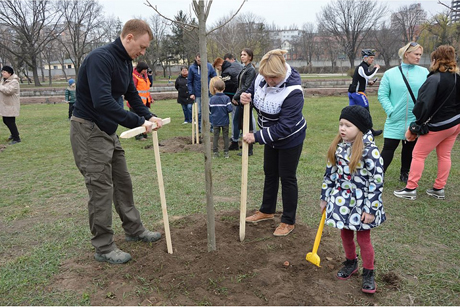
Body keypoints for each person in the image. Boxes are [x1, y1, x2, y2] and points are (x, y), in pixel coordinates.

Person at [70, 19, 164, 265]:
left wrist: (148, 115)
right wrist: (136, 122)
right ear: (129, 37)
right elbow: (103, 102)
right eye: (141, 47)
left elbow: (130, 93)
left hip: (107, 131)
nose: (143, 52)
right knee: (101, 189)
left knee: (123, 182)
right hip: (89, 130)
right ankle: (103, 247)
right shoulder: (100, 59)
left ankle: (134, 230)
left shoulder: (125, 61)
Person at [320, 105, 385, 294]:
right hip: (342, 203)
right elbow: (329, 175)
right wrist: (325, 197)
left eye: (348, 125)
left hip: (363, 204)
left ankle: (369, 272)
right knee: (345, 234)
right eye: (341, 124)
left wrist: (371, 209)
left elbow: (376, 182)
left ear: (360, 128)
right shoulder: (338, 148)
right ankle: (351, 263)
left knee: (364, 239)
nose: (342, 129)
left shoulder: (369, 151)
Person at [242, 49, 306, 237]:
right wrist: (246, 97)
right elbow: (253, 95)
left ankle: (288, 221)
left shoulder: (294, 92)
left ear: (282, 72)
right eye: (266, 77)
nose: (269, 81)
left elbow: (285, 127)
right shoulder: (260, 79)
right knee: (270, 172)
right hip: (270, 137)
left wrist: (257, 137)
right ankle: (267, 211)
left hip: (290, 139)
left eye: (273, 78)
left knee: (287, 177)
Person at [394, 45, 460, 201]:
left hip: (438, 125)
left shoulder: (434, 79)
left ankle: (410, 189)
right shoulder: (457, 78)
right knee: (444, 155)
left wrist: (418, 123)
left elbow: (423, 104)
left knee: (418, 155)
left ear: (435, 59)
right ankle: (439, 188)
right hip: (455, 124)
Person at [378, 42, 429, 183]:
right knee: (389, 147)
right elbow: (382, 94)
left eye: (420, 54)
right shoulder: (390, 74)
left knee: (409, 148)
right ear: (407, 54)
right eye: (416, 54)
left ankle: (405, 173)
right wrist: (391, 111)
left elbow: (428, 94)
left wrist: (423, 113)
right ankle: (378, 174)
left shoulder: (424, 73)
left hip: (414, 119)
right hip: (395, 118)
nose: (419, 57)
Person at [348, 49, 382, 137]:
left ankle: (351, 130)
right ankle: (370, 131)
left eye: (373, 58)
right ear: (365, 58)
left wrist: (369, 82)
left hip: (352, 93)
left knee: (352, 112)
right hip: (358, 94)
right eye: (371, 58)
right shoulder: (362, 67)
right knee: (366, 112)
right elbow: (368, 75)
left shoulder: (363, 67)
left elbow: (362, 78)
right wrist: (376, 68)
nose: (372, 60)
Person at [231, 48, 256, 153]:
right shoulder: (244, 68)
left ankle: (249, 148)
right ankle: (237, 143)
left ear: (250, 57)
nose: (242, 56)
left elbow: (246, 86)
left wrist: (236, 97)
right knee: (238, 122)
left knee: (247, 123)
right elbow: (239, 85)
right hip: (241, 98)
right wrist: (237, 96)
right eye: (241, 54)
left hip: (246, 99)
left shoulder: (251, 70)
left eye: (244, 55)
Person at [187, 53, 216, 132]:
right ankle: (200, 128)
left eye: (201, 60)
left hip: (209, 93)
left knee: (210, 110)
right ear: (196, 59)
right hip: (197, 93)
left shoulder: (209, 66)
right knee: (199, 112)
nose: (200, 61)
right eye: (198, 60)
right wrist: (191, 93)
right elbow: (189, 82)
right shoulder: (192, 68)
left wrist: (214, 89)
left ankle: (211, 127)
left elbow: (214, 78)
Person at [127, 61, 154, 141]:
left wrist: (150, 98)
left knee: (145, 118)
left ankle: (144, 134)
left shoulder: (145, 76)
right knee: (137, 119)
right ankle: (138, 136)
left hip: (144, 102)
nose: (145, 71)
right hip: (135, 103)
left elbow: (147, 88)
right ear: (140, 69)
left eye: (146, 69)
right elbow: (131, 91)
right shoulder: (134, 76)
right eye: (144, 70)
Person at [209, 77, 232, 158]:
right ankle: (226, 153)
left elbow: (210, 109)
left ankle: (215, 152)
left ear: (214, 88)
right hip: (225, 121)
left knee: (216, 136)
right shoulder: (226, 98)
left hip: (215, 121)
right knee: (225, 136)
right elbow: (230, 109)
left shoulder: (212, 99)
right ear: (224, 88)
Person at [0, 65, 21, 145]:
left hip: (11, 105)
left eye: (4, 72)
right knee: (6, 121)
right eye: (2, 72)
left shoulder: (14, 81)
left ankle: (17, 138)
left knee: (10, 121)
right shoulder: (4, 80)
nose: (3, 73)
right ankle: (14, 134)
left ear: (10, 73)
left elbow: (9, 91)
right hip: (5, 105)